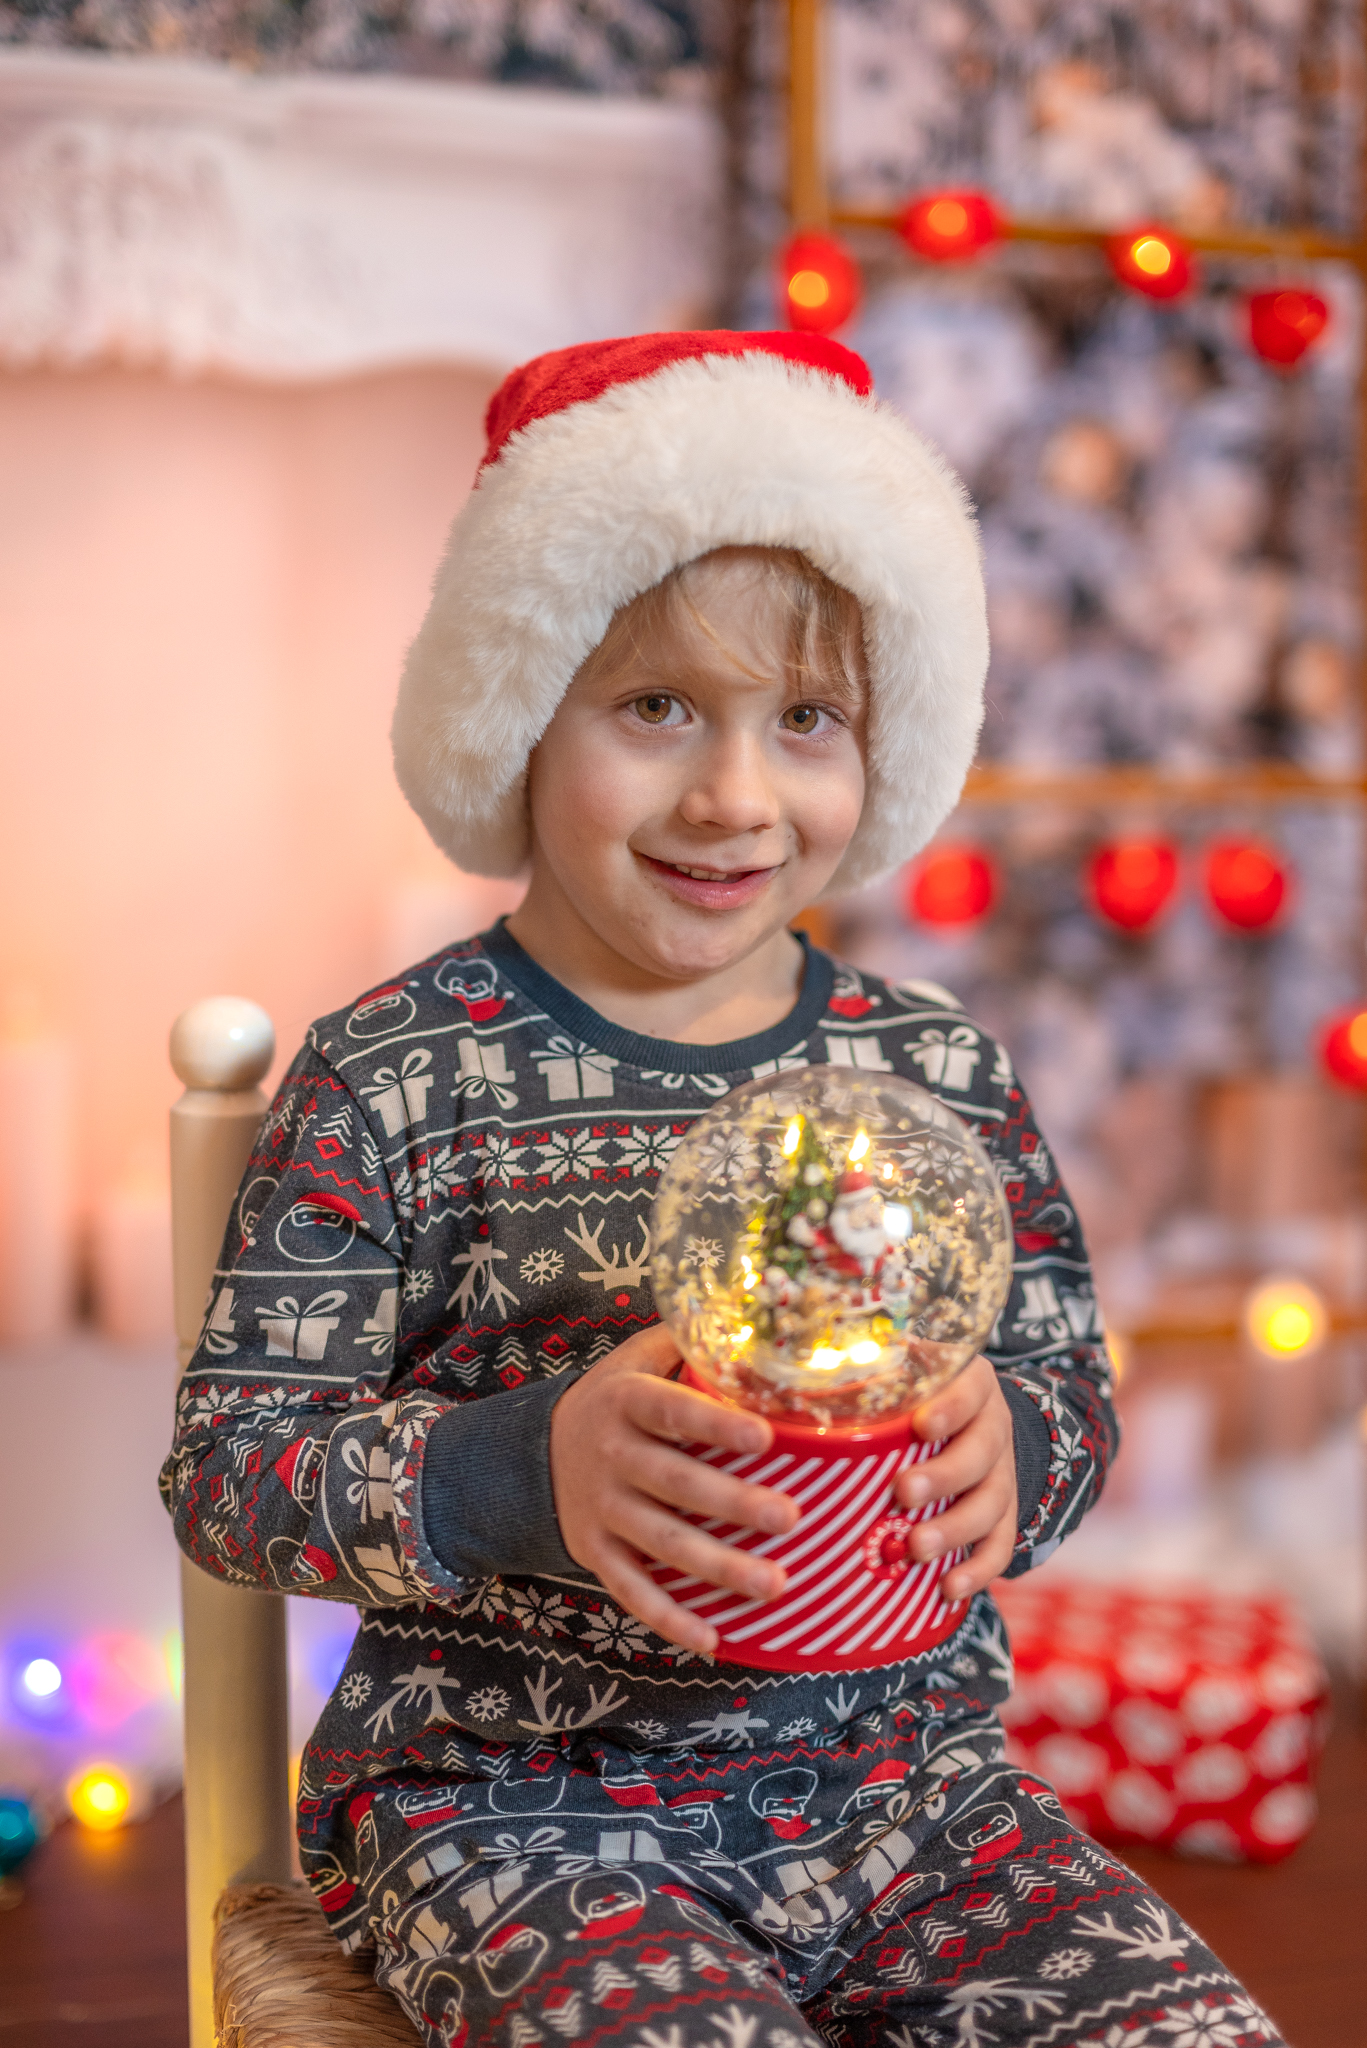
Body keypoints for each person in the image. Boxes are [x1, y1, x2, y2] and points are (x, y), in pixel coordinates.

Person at [162, 330, 1280, 2048]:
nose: (736, 796)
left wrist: (1019, 1449)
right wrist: (517, 1472)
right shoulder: (395, 1076)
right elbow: (232, 1474)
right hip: (518, 1818)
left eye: (808, 720)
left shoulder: (935, 1076)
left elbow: (1064, 1380)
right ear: (521, 705)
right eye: (657, 705)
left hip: (920, 1811)